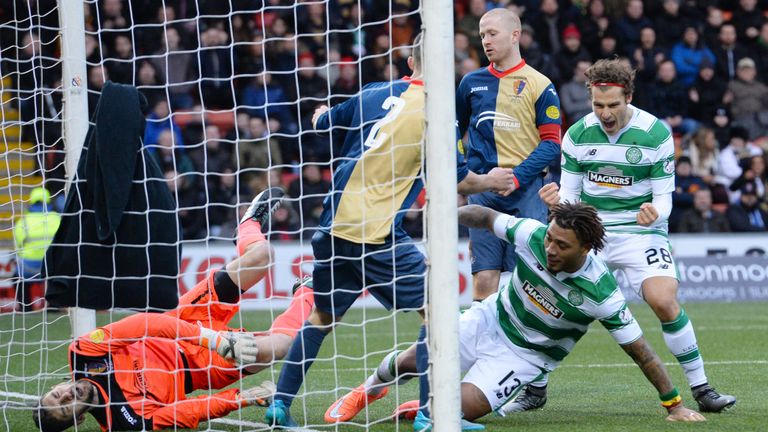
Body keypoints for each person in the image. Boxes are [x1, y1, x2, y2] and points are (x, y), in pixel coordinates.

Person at [264, 32, 517, 428]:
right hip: (377, 234)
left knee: (321, 320)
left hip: (332, 228)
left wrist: (318, 112)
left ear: (410, 63)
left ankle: (279, 406)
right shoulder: (437, 110)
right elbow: (453, 178)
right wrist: (492, 180)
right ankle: (430, 415)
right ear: (442, 68)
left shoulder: (371, 92)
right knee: (438, 312)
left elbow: (324, 121)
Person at [323, 203, 706, 428]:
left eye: (562, 245)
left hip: (523, 357)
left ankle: (427, 406)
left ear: (586, 247)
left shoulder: (601, 295)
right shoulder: (534, 234)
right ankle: (367, 389)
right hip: (489, 319)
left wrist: (674, 405)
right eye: (551, 239)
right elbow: (486, 216)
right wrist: (445, 213)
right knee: (413, 358)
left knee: (457, 412)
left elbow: (641, 351)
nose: (550, 248)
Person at [537, 58, 736, 414]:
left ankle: (703, 388)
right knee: (553, 304)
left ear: (629, 96)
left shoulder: (656, 133)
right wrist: (556, 203)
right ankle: (535, 388)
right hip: (590, 234)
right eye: (598, 105)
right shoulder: (577, 134)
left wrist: (654, 213)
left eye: (613, 104)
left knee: (663, 301)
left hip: (641, 232)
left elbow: (664, 199)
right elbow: (570, 197)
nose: (605, 113)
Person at [33, 188, 317, 431]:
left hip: (183, 322)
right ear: (80, 418)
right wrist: (240, 398)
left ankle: (247, 224)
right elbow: (186, 412)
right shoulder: (126, 423)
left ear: (57, 384)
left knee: (261, 257)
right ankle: (307, 288)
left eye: (56, 394)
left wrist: (213, 339)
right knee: (281, 347)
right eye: (65, 407)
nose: (66, 395)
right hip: (198, 369)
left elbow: (146, 324)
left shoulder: (82, 353)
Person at [456, 8, 562, 301]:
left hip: (527, 191)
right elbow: (452, 132)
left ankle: (522, 346)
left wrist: (516, 177)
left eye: (492, 34)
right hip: (483, 191)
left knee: (527, 282)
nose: (485, 41)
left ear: (515, 35)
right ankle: (477, 347)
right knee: (484, 280)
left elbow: (552, 143)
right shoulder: (470, 83)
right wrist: (464, 174)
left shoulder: (541, 84)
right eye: (481, 35)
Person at [13, 187, 61, 312]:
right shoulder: (57, 218)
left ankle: (26, 308)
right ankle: (53, 306)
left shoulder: (23, 221)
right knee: (56, 273)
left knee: (16, 277)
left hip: (29, 266)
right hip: (51, 266)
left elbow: (18, 245)